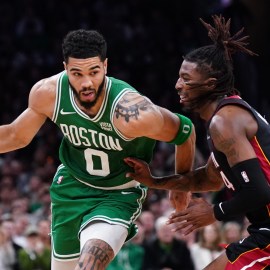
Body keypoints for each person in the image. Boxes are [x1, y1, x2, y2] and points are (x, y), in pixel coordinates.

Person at [0, 29, 196, 270]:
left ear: (105, 66)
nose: (86, 83)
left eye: (94, 72)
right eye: (76, 73)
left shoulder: (131, 111)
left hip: (117, 194)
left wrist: (181, 183)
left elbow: (185, 130)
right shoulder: (48, 93)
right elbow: (15, 136)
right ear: (65, 68)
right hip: (70, 189)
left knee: (89, 264)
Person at [124, 15, 270, 269]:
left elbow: (259, 191)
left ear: (210, 84)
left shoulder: (224, 122)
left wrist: (214, 213)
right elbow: (210, 179)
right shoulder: (224, 119)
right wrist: (155, 181)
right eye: (180, 77)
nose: (178, 85)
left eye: (187, 79)